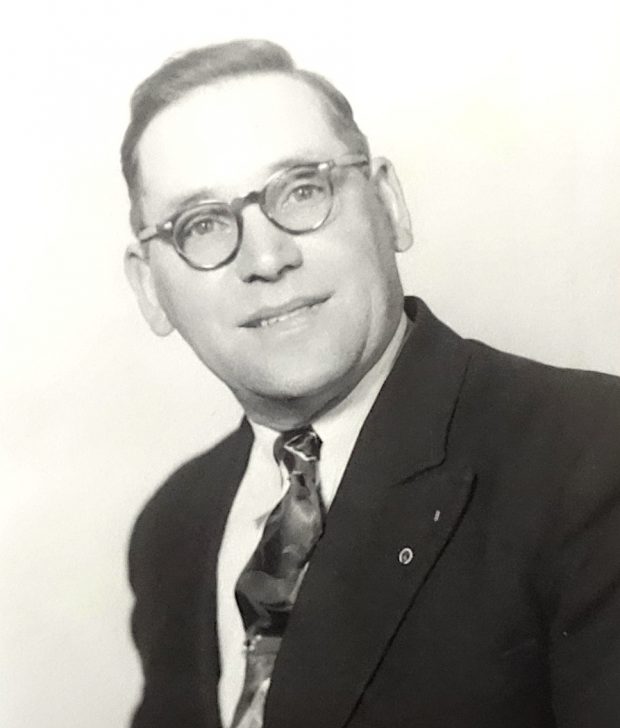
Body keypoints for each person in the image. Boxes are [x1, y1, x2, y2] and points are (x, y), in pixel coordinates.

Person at [122, 39, 620, 728]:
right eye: (202, 225)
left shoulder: (592, 452)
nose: (267, 259)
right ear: (150, 289)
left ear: (388, 203)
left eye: (302, 190)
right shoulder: (175, 524)